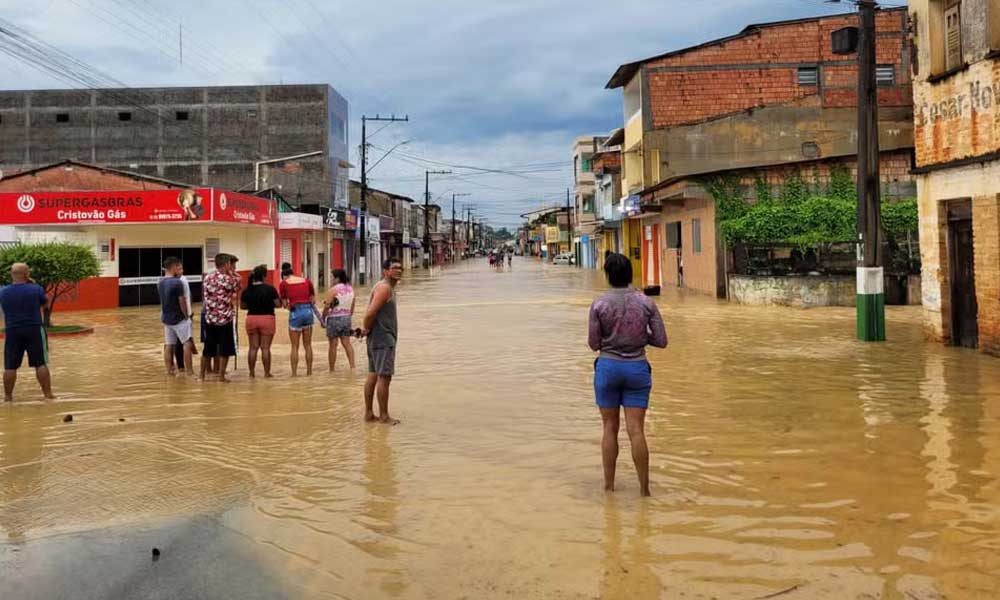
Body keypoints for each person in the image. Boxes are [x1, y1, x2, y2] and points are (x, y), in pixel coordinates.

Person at [588, 252, 667, 497]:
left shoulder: (599, 305)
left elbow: (593, 343)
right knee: (636, 431)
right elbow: (661, 340)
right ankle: (644, 490)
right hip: (637, 369)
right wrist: (641, 337)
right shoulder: (646, 302)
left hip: (608, 368)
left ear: (608, 276)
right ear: (630, 274)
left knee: (609, 428)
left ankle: (609, 487)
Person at [0, 263, 54, 401]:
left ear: (12, 274)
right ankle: (48, 395)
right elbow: (45, 304)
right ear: (27, 274)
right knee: (40, 363)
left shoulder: (3, 291)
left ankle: (8, 398)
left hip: (12, 330)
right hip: (34, 329)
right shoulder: (36, 289)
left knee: (10, 366)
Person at [363, 259, 402, 425]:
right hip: (383, 338)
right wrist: (366, 328)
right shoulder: (385, 288)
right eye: (394, 268)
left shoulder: (384, 287)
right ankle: (384, 416)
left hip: (377, 337)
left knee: (373, 374)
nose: (398, 270)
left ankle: (370, 414)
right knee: (384, 377)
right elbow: (369, 313)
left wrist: (368, 330)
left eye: (400, 268)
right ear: (385, 271)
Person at [201, 253, 240, 382]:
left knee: (207, 350)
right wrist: (233, 275)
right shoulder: (229, 279)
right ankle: (221, 377)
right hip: (225, 320)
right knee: (225, 350)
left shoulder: (207, 278)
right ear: (227, 264)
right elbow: (237, 288)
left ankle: (202, 376)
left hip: (210, 319)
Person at [241, 265, 280, 378]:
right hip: (267, 319)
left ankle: (251, 373)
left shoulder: (247, 290)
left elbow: (243, 307)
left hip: (251, 318)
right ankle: (267, 373)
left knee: (253, 348)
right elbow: (278, 304)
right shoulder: (270, 289)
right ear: (264, 276)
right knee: (265, 348)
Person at [158, 257, 194, 376]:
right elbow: (182, 301)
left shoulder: (160, 281)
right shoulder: (177, 282)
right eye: (179, 268)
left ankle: (169, 371)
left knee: (169, 345)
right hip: (179, 319)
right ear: (174, 268)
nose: (181, 271)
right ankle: (189, 371)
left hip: (166, 319)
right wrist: (186, 316)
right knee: (187, 343)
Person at [279, 264, 316, 376]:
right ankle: (309, 372)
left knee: (295, 346)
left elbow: (285, 304)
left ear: (284, 276)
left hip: (295, 312)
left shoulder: (284, 284)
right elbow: (313, 300)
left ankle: (294, 374)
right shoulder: (307, 281)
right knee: (308, 345)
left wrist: (288, 306)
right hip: (308, 312)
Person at [323, 268, 356, 372]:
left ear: (337, 278)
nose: (331, 279)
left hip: (333, 319)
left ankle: (332, 370)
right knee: (347, 343)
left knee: (333, 345)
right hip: (346, 318)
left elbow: (327, 305)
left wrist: (323, 318)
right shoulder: (351, 289)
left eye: (332, 277)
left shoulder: (333, 290)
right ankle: (352, 367)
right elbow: (352, 305)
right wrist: (348, 315)